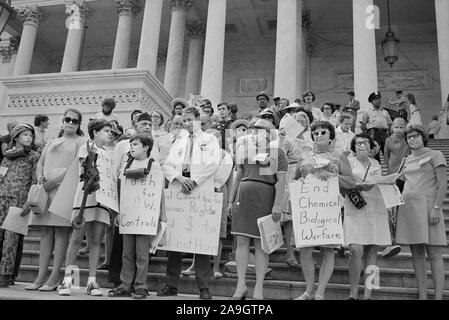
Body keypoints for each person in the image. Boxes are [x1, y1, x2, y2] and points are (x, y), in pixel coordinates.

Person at [158, 106, 220, 300]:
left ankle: (203, 287)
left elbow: (213, 163)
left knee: (201, 241)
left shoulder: (209, 139)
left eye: (189, 120)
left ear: (197, 119)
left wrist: (194, 180)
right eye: (183, 121)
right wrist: (178, 178)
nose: (186, 124)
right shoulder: (178, 141)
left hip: (199, 190)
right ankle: (171, 284)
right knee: (175, 240)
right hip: (179, 190)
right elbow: (167, 165)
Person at [26, 109, 87, 291]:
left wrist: (54, 180)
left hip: (64, 190)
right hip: (46, 191)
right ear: (62, 121)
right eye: (67, 119)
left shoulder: (81, 142)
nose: (70, 122)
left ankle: (54, 279)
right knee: (45, 233)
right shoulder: (52, 141)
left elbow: (77, 167)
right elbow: (40, 163)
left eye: (74, 121)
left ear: (78, 124)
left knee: (61, 234)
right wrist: (40, 178)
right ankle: (40, 277)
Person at [228, 118, 287, 300]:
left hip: (266, 196)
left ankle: (259, 287)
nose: (254, 134)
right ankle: (241, 284)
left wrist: (278, 204)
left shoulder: (278, 153)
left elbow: (282, 181)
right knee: (241, 242)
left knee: (262, 245)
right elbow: (237, 176)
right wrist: (230, 201)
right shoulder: (244, 151)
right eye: (252, 130)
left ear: (269, 134)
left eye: (259, 130)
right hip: (244, 196)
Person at [294, 121, 353, 300]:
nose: (319, 135)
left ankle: (320, 292)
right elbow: (295, 179)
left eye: (324, 132)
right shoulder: (304, 156)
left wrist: (334, 176)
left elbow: (351, 182)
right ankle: (309, 290)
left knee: (328, 250)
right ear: (312, 136)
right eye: (316, 133)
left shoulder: (339, 156)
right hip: (308, 208)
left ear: (331, 137)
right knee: (305, 250)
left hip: (330, 208)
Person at [58, 119, 113, 297]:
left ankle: (92, 282)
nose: (110, 134)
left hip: (103, 201)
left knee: (96, 241)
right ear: (95, 132)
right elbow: (86, 169)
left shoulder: (110, 154)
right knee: (76, 238)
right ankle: (67, 281)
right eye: (106, 130)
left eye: (110, 131)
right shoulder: (85, 148)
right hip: (85, 196)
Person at [108, 134, 167, 299]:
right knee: (127, 253)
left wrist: (162, 214)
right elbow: (121, 191)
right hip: (128, 215)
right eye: (130, 145)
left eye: (135, 144)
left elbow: (159, 192)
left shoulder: (154, 166)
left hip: (146, 217)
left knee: (142, 254)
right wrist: (118, 212)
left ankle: (141, 286)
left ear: (146, 147)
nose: (131, 147)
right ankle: (125, 285)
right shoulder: (126, 165)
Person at [396, 125, 447, 300]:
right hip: (409, 208)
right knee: (416, 253)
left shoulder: (436, 155)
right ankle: (422, 295)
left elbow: (443, 184)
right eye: (409, 137)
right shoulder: (406, 159)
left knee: (434, 253)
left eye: (416, 136)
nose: (412, 139)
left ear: (423, 137)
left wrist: (437, 208)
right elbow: (398, 181)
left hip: (429, 207)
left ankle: (438, 296)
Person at [344, 134, 393, 300]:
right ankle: (353, 293)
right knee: (355, 250)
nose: (362, 145)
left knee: (373, 251)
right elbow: (342, 181)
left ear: (370, 145)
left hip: (376, 207)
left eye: (365, 142)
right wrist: (358, 185)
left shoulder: (376, 163)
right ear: (354, 147)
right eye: (358, 143)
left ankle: (368, 294)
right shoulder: (348, 162)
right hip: (356, 206)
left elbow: (380, 181)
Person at [0, 124, 40, 287]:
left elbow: (35, 181)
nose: (29, 137)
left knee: (12, 239)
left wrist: (28, 202)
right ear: (15, 137)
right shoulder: (7, 156)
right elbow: (1, 176)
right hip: (2, 199)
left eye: (30, 134)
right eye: (24, 134)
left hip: (19, 202)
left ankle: (5, 274)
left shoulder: (34, 156)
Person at [280, 112, 314, 268]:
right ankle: (289, 252)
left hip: (310, 176)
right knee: (291, 218)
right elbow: (279, 156)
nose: (301, 123)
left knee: (306, 216)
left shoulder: (310, 139)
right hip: (292, 174)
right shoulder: (287, 139)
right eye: (298, 120)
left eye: (304, 120)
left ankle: (305, 252)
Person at [361, 91, 392, 162]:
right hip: (373, 134)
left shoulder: (385, 112)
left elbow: (390, 124)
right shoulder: (367, 112)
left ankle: (390, 171)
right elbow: (363, 126)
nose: (379, 101)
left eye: (380, 99)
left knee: (388, 154)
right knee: (375, 155)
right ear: (372, 101)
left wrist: (389, 135)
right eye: (376, 99)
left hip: (385, 135)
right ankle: (377, 172)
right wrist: (367, 135)